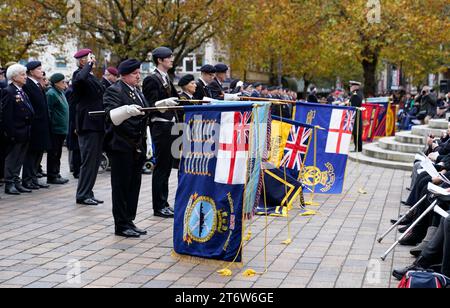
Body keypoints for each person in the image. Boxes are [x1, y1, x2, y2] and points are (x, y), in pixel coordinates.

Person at [104, 59, 149, 238]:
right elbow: (111, 117)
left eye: (139, 72)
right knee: (121, 186)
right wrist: (125, 111)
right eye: (134, 73)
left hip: (137, 145)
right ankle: (121, 224)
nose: (138, 76)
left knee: (133, 185)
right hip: (121, 145)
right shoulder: (114, 90)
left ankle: (129, 220)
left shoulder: (136, 91)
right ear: (123, 75)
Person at [142, 47, 179, 218]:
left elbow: (178, 99)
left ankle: (164, 202)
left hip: (170, 125)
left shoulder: (166, 77)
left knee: (166, 167)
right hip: (160, 126)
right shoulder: (151, 79)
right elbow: (150, 104)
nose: (171, 59)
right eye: (168, 57)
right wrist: (164, 102)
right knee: (161, 168)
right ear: (159, 60)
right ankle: (159, 206)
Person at [71, 48, 105, 206]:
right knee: (89, 160)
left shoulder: (90, 75)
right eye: (89, 57)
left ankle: (88, 191)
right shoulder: (79, 74)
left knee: (95, 161)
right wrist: (89, 65)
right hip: (87, 123)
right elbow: (79, 81)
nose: (93, 59)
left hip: (97, 122)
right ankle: (82, 194)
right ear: (82, 61)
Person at [2, 64, 35, 195]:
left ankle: (16, 181)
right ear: (14, 77)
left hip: (25, 130)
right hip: (16, 131)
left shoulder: (21, 91)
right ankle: (9, 183)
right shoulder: (8, 91)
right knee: (12, 158)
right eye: (22, 74)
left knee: (20, 158)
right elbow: (6, 115)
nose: (25, 77)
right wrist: (10, 133)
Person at [22, 61, 52, 190]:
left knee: (39, 152)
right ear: (31, 72)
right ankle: (27, 179)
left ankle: (34, 178)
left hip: (42, 124)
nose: (41, 71)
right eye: (38, 69)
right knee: (31, 153)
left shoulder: (37, 84)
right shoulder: (28, 84)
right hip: (34, 125)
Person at [46, 73, 70, 185]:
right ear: (56, 83)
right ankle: (52, 175)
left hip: (62, 129)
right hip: (55, 129)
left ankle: (56, 172)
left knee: (58, 153)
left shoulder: (61, 92)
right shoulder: (51, 94)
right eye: (62, 82)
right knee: (54, 153)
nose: (64, 84)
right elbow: (49, 111)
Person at [349, 81, 364, 152]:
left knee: (356, 132)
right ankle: (358, 147)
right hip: (358, 115)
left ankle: (358, 148)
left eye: (351, 86)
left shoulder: (355, 95)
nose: (350, 88)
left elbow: (353, 106)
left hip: (356, 115)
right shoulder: (359, 93)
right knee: (357, 132)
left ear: (355, 87)